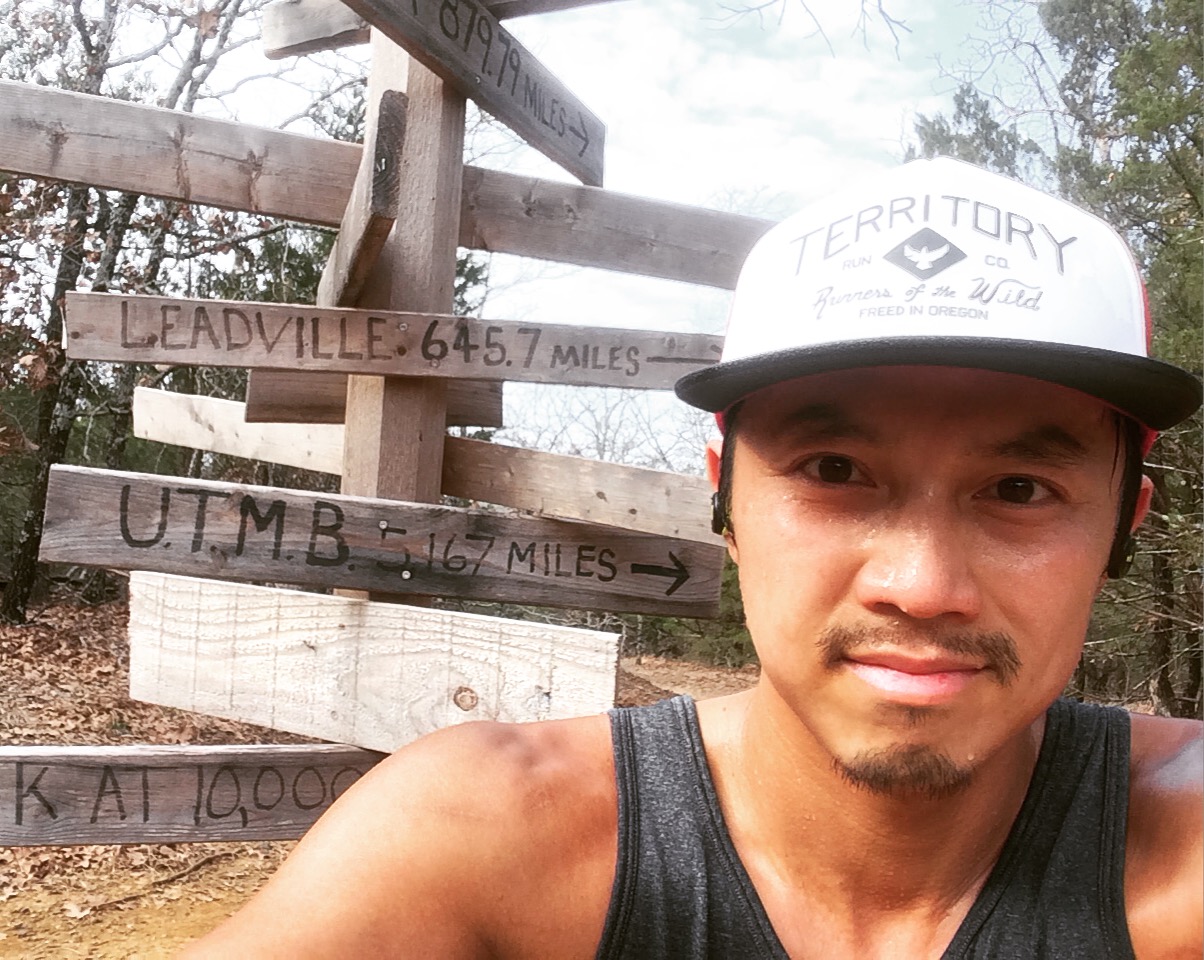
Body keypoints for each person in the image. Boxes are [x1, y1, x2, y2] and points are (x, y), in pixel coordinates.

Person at [181, 158, 1202, 959]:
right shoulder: (485, 837)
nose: (922, 586)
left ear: (1124, 523)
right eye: (834, 470)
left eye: (1018, 490)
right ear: (725, 499)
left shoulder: (1184, 852)